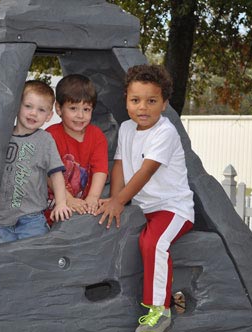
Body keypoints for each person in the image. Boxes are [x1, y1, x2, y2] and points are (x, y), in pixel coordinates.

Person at [95, 64, 195, 332]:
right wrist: (117, 199)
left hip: (172, 208)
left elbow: (145, 172)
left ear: (164, 104)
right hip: (142, 208)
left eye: (152, 101)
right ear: (126, 101)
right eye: (135, 100)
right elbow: (119, 165)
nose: (143, 107)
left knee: (153, 243)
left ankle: (159, 312)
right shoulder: (127, 129)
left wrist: (119, 201)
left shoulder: (165, 132)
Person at [0, 80, 72, 245]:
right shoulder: (2, 135)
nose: (33, 113)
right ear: (17, 105)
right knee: (1, 265)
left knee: (35, 262)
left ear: (49, 116)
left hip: (31, 218)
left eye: (41, 110)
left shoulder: (44, 140)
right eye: (28, 106)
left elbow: (56, 175)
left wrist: (61, 203)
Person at [46, 74, 108, 218]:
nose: (80, 115)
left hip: (81, 206)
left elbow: (100, 170)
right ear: (59, 109)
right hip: (50, 208)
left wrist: (93, 197)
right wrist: (68, 199)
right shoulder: (50, 136)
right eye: (73, 108)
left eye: (86, 109)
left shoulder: (97, 136)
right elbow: (47, 175)